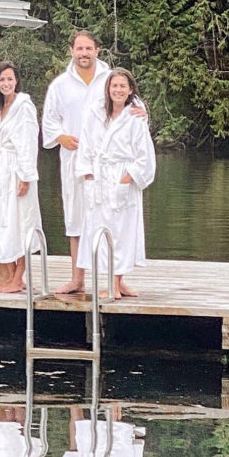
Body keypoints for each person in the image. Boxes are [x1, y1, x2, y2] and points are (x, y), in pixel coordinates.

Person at [75, 68, 156, 298]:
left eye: (123, 86)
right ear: (108, 89)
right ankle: (111, 282)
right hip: (99, 177)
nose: (118, 90)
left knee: (123, 230)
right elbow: (86, 145)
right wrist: (88, 174)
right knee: (100, 229)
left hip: (122, 176)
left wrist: (126, 179)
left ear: (130, 90)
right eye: (114, 86)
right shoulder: (95, 113)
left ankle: (117, 281)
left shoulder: (135, 118)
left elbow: (144, 155)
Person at [41, 31, 111, 294]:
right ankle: (77, 278)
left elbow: (128, 103)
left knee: (109, 215)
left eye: (89, 48)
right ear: (71, 51)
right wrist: (60, 136)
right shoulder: (60, 85)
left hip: (105, 160)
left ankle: (113, 280)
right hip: (73, 157)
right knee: (75, 217)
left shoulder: (110, 79)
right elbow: (49, 119)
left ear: (97, 50)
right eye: (79, 48)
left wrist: (139, 111)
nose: (84, 53)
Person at [0, 63, 43, 293]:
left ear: (16, 81)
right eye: (1, 80)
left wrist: (25, 175)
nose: (6, 84)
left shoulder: (23, 106)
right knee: (2, 221)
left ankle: (19, 275)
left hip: (17, 170)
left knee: (22, 222)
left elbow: (29, 141)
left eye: (10, 79)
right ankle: (8, 275)